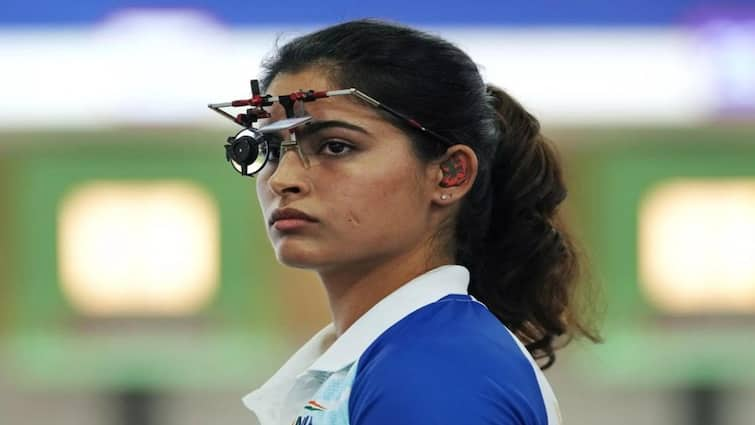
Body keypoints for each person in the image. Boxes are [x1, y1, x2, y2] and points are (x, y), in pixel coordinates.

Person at [224, 19, 600, 425]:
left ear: (450, 173)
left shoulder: (437, 370)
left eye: (335, 146)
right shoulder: (396, 355)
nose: (283, 179)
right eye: (271, 149)